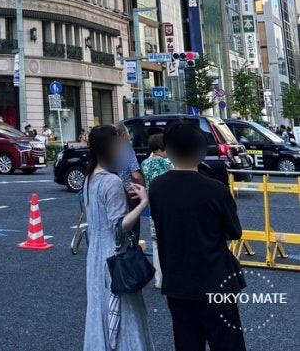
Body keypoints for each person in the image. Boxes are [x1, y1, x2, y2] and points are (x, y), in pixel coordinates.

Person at [149, 120, 245, 351]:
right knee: (227, 343)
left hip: (177, 282)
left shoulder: (157, 187)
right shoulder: (215, 190)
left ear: (169, 150)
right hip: (216, 281)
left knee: (187, 343)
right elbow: (234, 232)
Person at [82, 124, 153, 351]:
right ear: (109, 147)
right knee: (125, 314)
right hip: (115, 256)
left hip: (95, 255)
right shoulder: (111, 182)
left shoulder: (89, 179)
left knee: (100, 309)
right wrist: (143, 203)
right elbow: (118, 227)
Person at [140, 133, 173, 289]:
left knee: (156, 243)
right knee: (171, 241)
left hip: (154, 207)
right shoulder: (167, 163)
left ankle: (158, 279)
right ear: (160, 149)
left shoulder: (145, 164)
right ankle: (171, 275)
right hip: (170, 206)